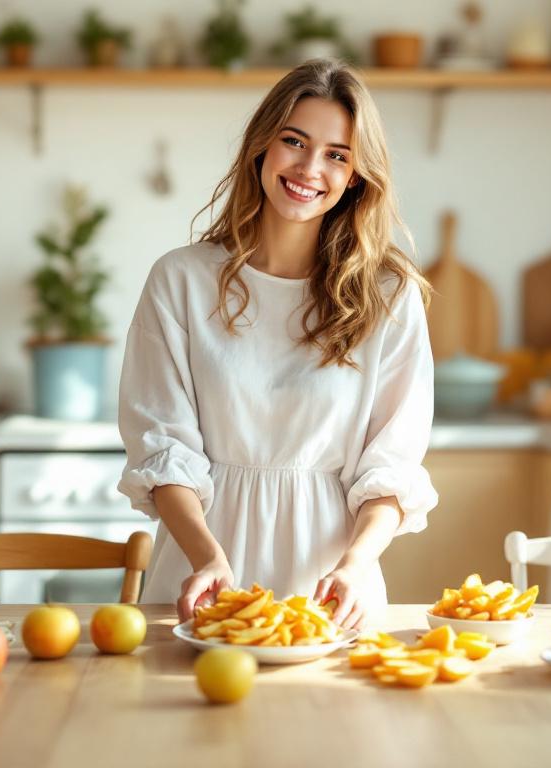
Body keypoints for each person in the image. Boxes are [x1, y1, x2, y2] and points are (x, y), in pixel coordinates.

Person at [117, 59, 436, 630]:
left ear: (357, 175)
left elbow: (392, 464)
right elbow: (162, 449)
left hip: (333, 592)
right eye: (295, 141)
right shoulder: (181, 280)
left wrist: (358, 564)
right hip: (200, 581)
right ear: (262, 146)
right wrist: (208, 557)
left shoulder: (388, 295)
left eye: (338, 154)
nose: (310, 167)